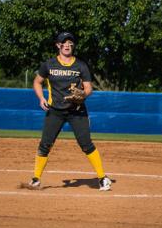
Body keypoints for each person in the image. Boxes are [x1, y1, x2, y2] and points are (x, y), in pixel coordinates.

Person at [29, 32, 112, 192]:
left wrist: (82, 94)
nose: (67, 45)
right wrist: (41, 98)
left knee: (86, 144)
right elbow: (37, 82)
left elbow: (88, 88)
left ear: (72, 45)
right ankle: (35, 179)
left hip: (77, 111)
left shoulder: (81, 65)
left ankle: (102, 178)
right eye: (63, 42)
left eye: (70, 43)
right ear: (58, 45)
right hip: (55, 111)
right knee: (45, 145)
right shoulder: (49, 65)